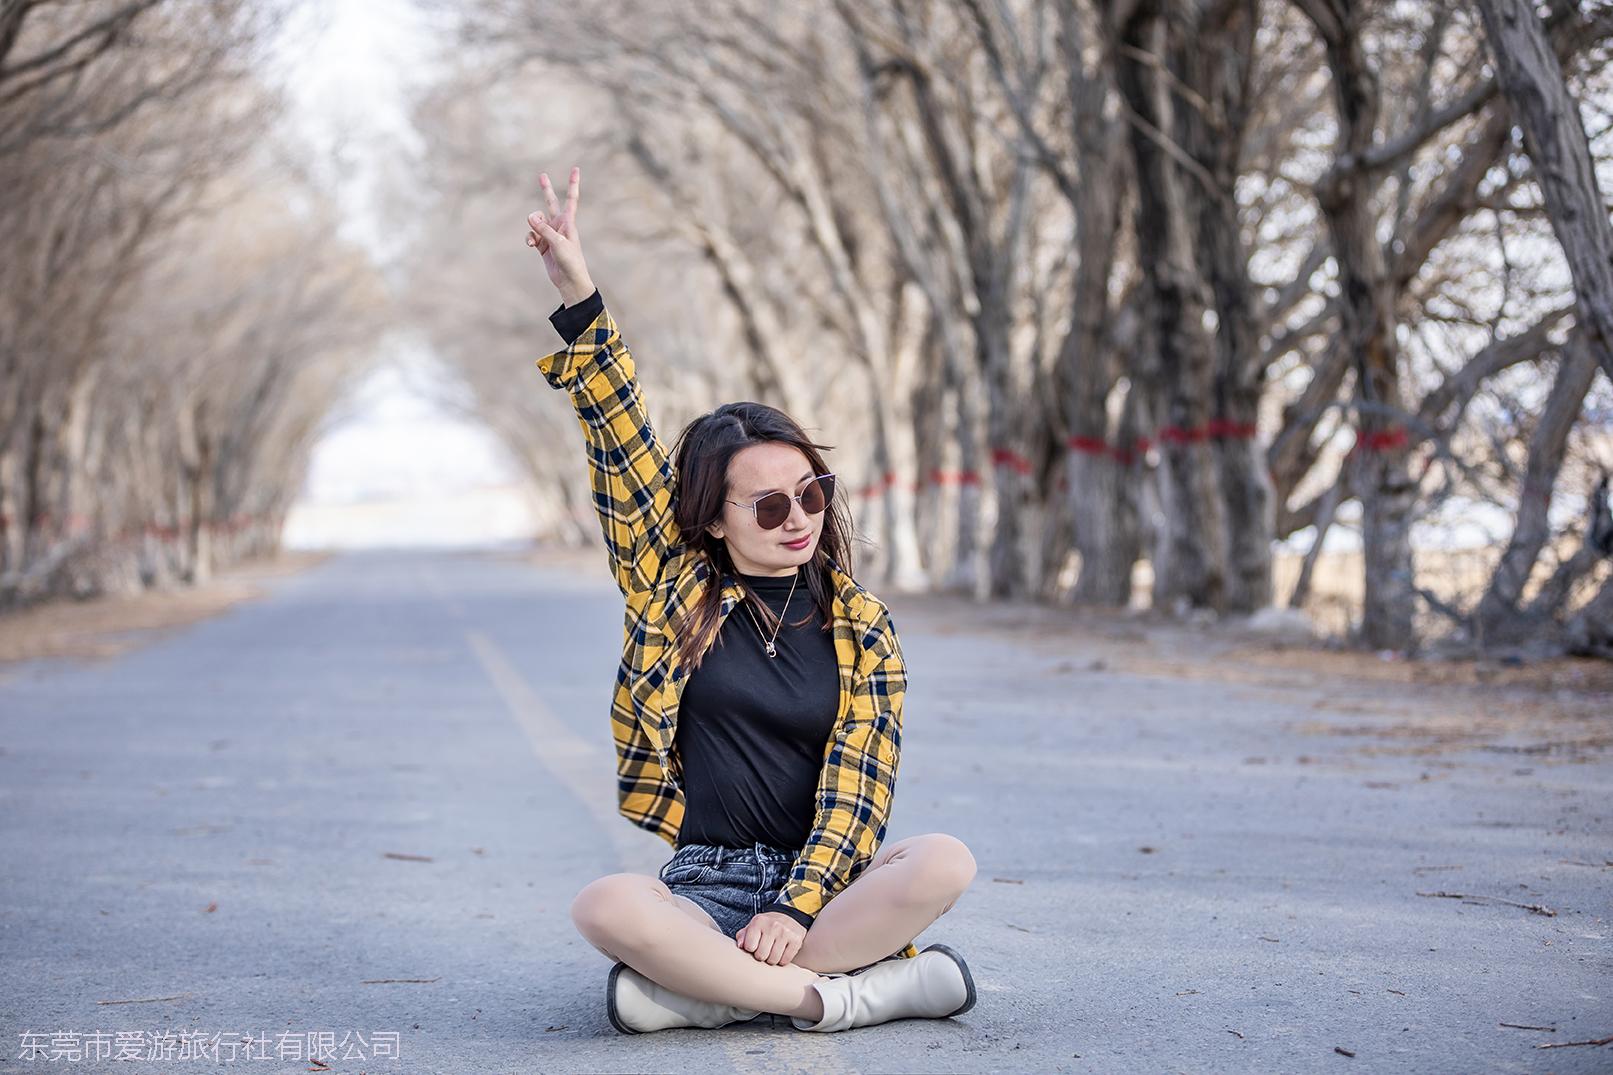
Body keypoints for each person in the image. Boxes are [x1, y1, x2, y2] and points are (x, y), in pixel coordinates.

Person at [526, 166, 977, 1034]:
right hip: (707, 886)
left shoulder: (859, 624)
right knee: (605, 903)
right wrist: (579, 294)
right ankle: (838, 996)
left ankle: (699, 993)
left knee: (943, 859)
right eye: (768, 506)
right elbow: (621, 440)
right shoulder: (670, 590)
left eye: (810, 493)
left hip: (826, 888)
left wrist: (798, 907)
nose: (797, 517)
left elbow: (860, 787)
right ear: (712, 517)